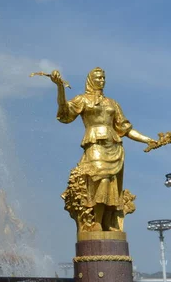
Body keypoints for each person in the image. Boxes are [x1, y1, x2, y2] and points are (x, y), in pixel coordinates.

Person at [50, 67, 155, 232]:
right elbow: (65, 114)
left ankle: (107, 222)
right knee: (101, 178)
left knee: (112, 185)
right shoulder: (83, 100)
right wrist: (60, 88)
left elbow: (125, 129)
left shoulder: (112, 103)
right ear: (91, 80)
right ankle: (96, 222)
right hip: (94, 145)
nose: (102, 80)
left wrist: (147, 139)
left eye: (103, 78)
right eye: (98, 77)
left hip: (114, 146)